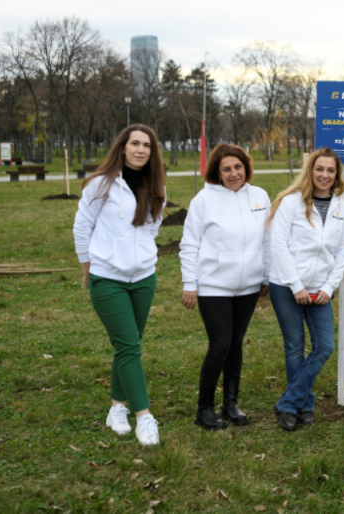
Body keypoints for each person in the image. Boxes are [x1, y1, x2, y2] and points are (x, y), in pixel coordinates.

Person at [73, 125, 166, 447]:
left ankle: (117, 408)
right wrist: (88, 265)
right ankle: (144, 416)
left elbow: (153, 228)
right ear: (123, 147)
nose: (141, 150)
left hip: (143, 279)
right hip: (107, 278)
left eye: (147, 146)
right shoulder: (101, 184)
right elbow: (82, 225)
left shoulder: (157, 186)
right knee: (129, 346)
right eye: (135, 144)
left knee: (127, 344)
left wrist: (142, 257)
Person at [179, 144, 271, 430]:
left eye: (238, 167)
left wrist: (265, 277)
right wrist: (190, 284)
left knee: (235, 344)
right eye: (227, 169)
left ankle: (230, 403)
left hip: (248, 286)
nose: (234, 174)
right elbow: (189, 244)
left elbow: (267, 239)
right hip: (213, 286)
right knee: (219, 344)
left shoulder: (259, 196)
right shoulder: (203, 200)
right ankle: (204, 408)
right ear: (217, 173)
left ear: (246, 167)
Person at [267, 147, 344, 431]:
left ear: (336, 175)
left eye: (330, 170)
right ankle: (301, 406)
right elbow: (277, 245)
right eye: (320, 169)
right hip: (286, 285)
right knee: (294, 347)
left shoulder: (342, 207)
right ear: (310, 171)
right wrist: (296, 285)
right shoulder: (291, 203)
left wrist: (329, 287)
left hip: (321, 291)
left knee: (324, 346)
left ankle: (289, 401)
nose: (325, 175)